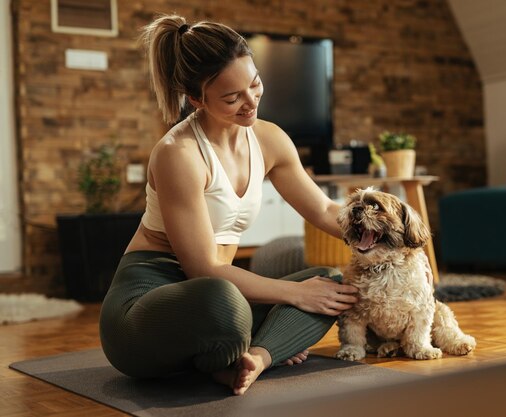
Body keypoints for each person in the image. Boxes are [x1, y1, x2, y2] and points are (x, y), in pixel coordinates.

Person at [98, 14, 359, 396]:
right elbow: (203, 268)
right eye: (232, 97)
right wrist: (294, 295)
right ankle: (235, 350)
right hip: (145, 310)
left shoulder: (270, 139)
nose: (250, 102)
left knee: (330, 283)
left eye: (254, 83)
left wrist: (385, 232)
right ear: (196, 99)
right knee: (226, 301)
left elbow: (321, 209)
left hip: (217, 298)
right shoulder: (179, 154)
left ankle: (253, 359)